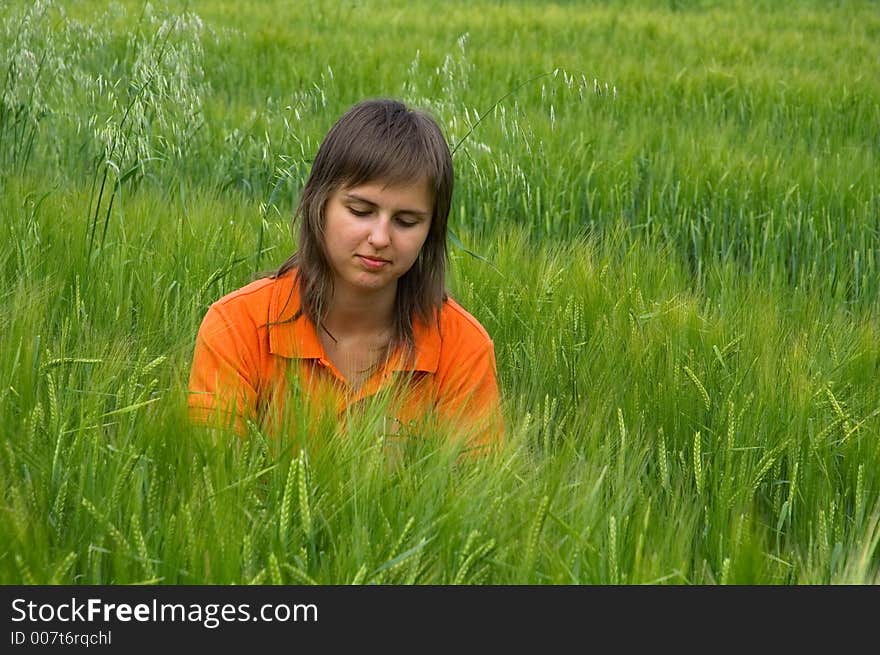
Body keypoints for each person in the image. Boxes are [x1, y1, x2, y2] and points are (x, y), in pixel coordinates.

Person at [188, 98, 503, 456]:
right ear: (318, 203)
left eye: (406, 221)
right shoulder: (236, 327)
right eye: (361, 210)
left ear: (431, 231)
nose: (381, 238)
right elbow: (213, 485)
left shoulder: (462, 347)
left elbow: (470, 500)